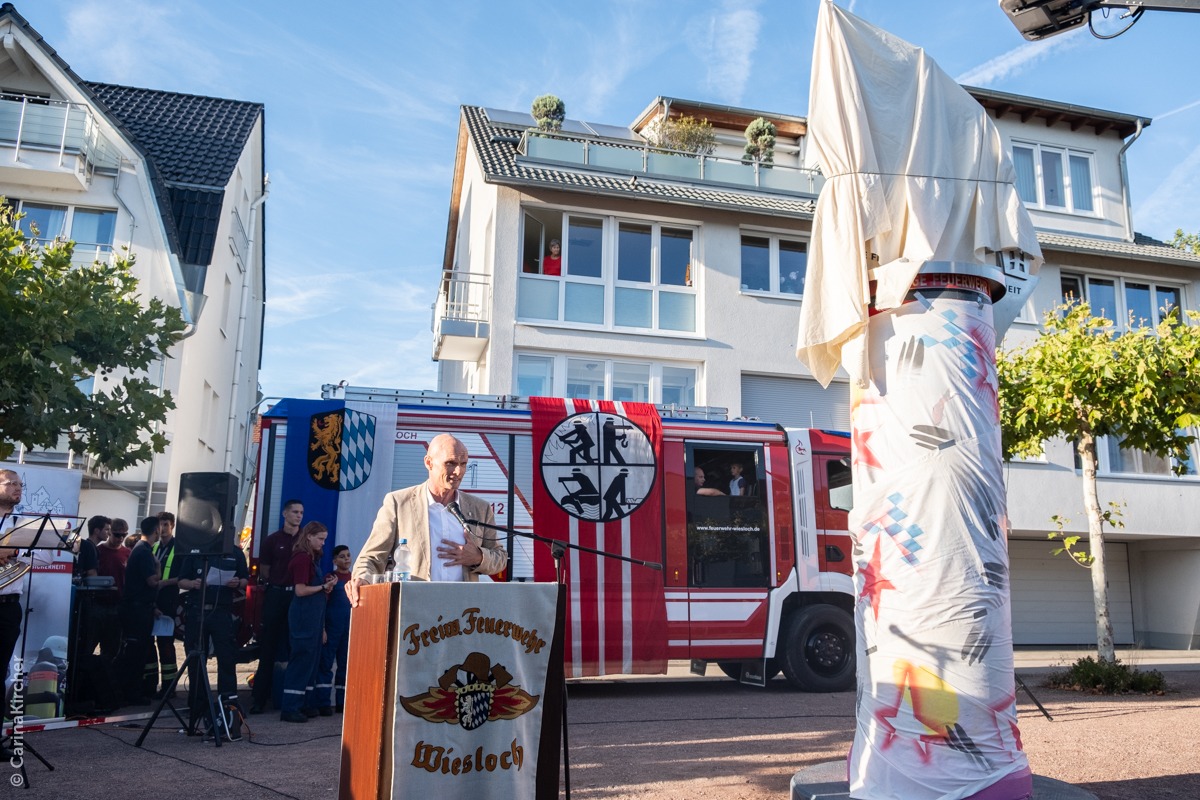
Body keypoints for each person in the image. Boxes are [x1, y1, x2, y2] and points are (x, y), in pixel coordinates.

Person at [347, 434, 507, 606]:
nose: (459, 471)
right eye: (450, 463)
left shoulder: (479, 508)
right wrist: (362, 579)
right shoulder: (399, 502)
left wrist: (478, 557)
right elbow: (371, 557)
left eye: (463, 464)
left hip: (464, 611)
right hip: (415, 609)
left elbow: (500, 558)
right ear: (429, 463)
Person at [177, 538, 249, 740]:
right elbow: (181, 580)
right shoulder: (196, 550)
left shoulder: (234, 552)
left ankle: (229, 705)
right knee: (196, 658)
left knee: (227, 659)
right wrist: (192, 583)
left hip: (222, 612)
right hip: (197, 611)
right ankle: (198, 706)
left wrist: (238, 582)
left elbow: (245, 578)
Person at [249, 499, 303, 714]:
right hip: (276, 596)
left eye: (301, 512)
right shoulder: (272, 540)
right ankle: (259, 699)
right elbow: (264, 569)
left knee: (293, 647)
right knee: (268, 647)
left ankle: (288, 700)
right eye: (295, 512)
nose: (299, 516)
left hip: (296, 598)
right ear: (285, 514)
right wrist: (277, 585)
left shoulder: (305, 540)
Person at [279, 522, 336, 723]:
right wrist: (323, 586)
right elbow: (300, 590)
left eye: (324, 539)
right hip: (304, 616)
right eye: (320, 538)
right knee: (301, 659)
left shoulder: (313, 559)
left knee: (311, 660)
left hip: (314, 617)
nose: (323, 543)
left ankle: (305, 703)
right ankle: (290, 707)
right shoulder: (302, 559)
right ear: (309, 537)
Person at [115, 517, 160, 705]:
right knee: (136, 653)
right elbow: (152, 581)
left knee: (137, 652)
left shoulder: (140, 550)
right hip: (137, 610)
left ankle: (133, 691)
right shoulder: (143, 552)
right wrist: (173, 580)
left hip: (138, 608)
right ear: (156, 530)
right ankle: (132, 694)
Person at [315, 544, 352, 715]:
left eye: (348, 556)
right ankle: (322, 703)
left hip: (349, 629)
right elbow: (322, 604)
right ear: (335, 560)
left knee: (345, 665)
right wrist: (322, 629)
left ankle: (342, 703)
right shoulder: (330, 578)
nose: (346, 559)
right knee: (326, 664)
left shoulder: (355, 578)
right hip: (332, 628)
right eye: (342, 556)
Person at [151, 511, 181, 697]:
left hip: (169, 600)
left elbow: (184, 577)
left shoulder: (179, 548)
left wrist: (164, 583)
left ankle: (169, 687)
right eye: (160, 525)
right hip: (153, 599)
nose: (162, 529)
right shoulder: (153, 547)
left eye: (165, 525)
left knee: (166, 644)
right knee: (149, 644)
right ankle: (150, 684)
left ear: (172, 526)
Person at [94, 517, 130, 667]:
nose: (120, 539)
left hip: (117, 605)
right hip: (98, 604)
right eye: (117, 535)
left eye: (124, 535)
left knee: (112, 649)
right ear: (109, 533)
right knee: (90, 644)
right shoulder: (98, 551)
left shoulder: (127, 553)